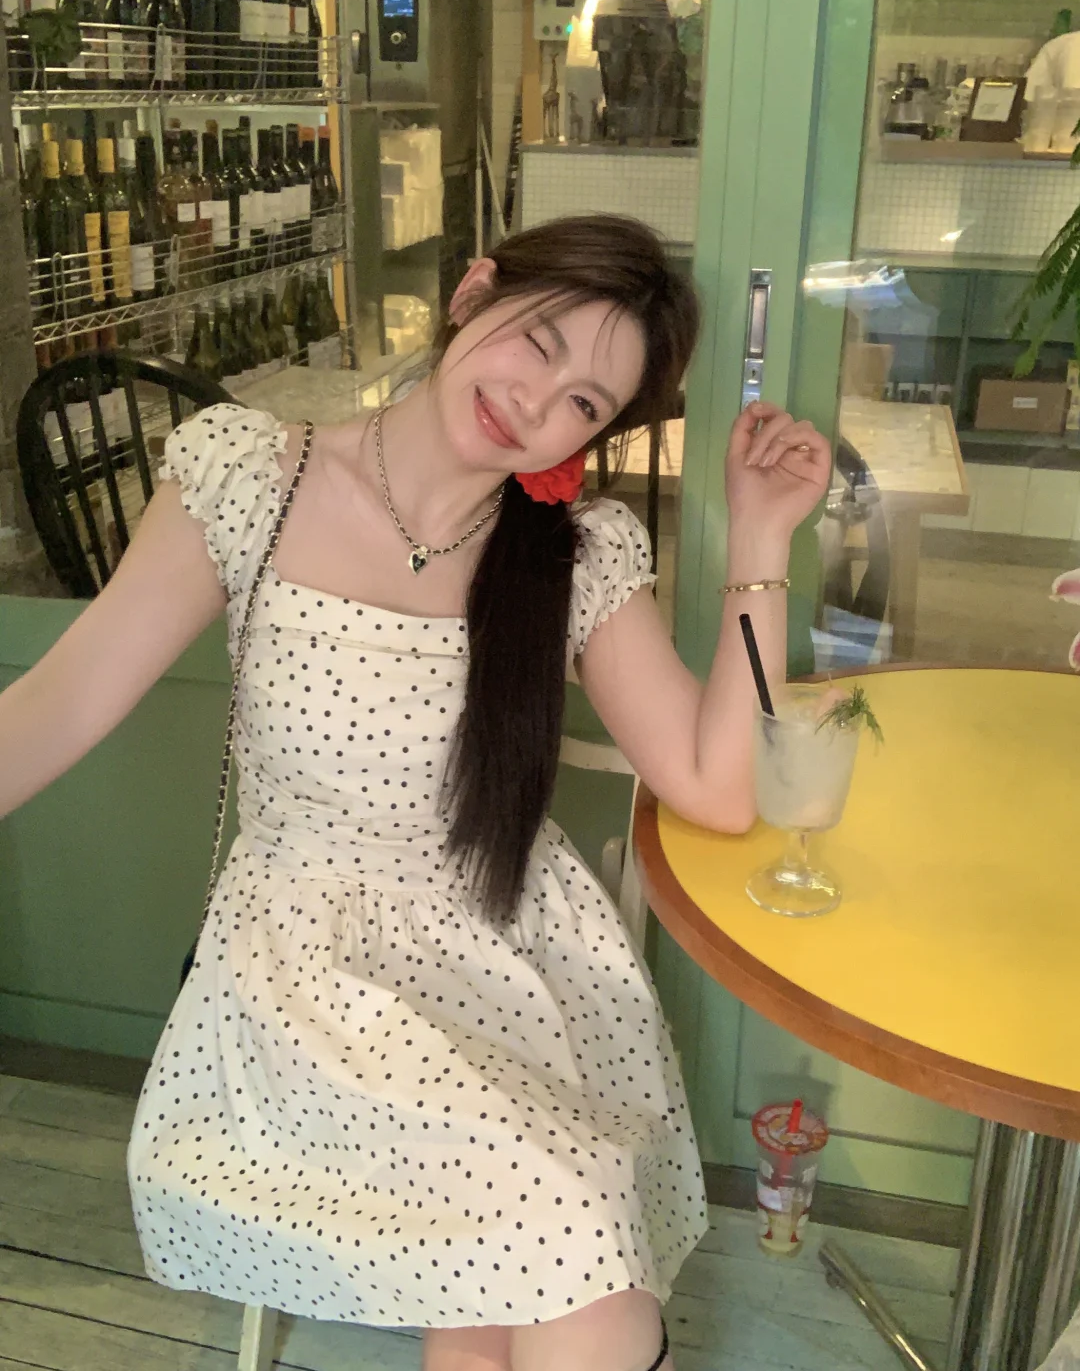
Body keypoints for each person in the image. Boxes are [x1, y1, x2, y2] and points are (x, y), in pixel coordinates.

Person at [0, 215, 831, 1371]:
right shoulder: (251, 477)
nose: (535, 402)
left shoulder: (569, 555)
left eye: (584, 402)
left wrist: (761, 541)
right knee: (582, 1263)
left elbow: (719, 788)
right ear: (474, 291)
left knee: (523, 1274)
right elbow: (62, 699)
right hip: (311, 971)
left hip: (513, 960)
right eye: (539, 341)